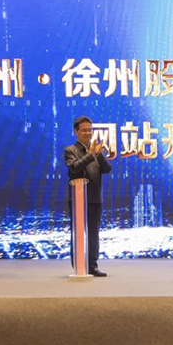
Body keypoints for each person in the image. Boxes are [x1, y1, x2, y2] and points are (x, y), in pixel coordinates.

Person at [64, 116, 112, 277]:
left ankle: (92, 265)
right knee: (78, 232)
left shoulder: (95, 150)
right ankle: (78, 264)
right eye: (84, 130)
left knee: (93, 233)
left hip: (94, 197)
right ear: (76, 132)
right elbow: (74, 168)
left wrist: (99, 154)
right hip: (77, 199)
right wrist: (90, 154)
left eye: (90, 130)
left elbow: (107, 169)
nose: (87, 133)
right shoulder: (70, 150)